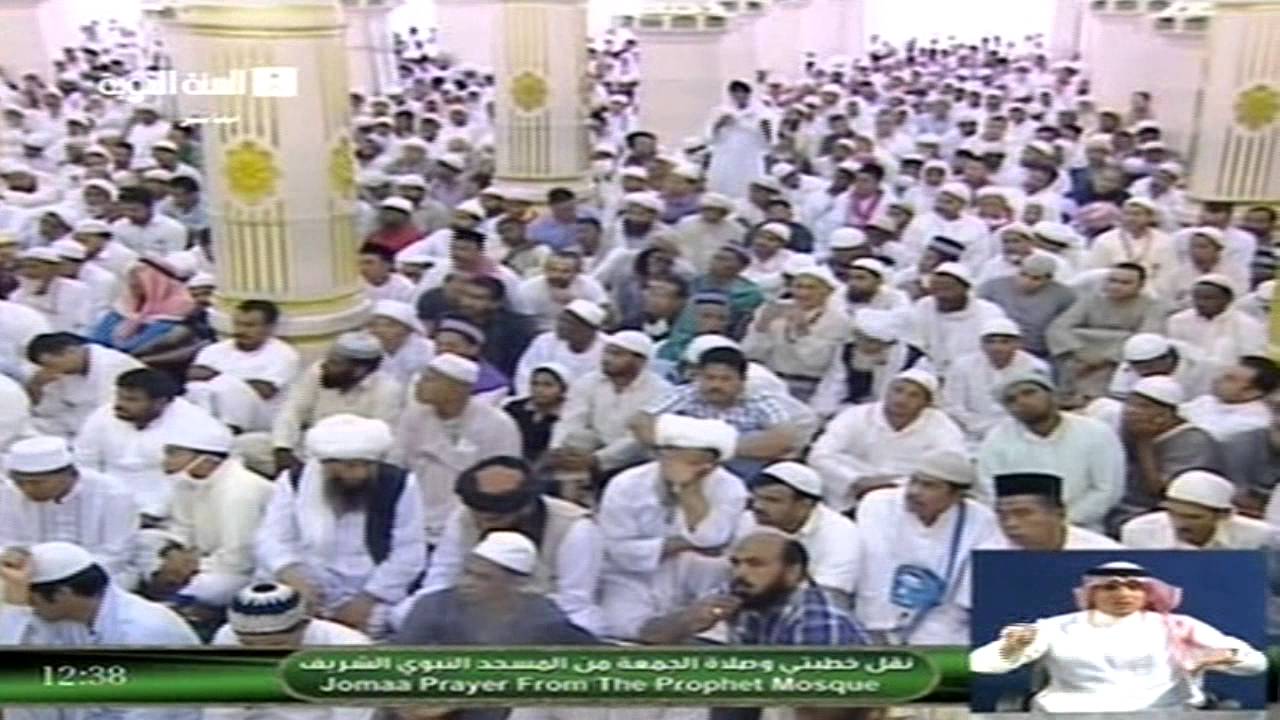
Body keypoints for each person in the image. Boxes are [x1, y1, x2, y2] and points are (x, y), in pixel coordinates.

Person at [970, 561, 1267, 712]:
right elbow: (982, 664)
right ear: (1092, 592)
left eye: (1133, 586)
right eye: (1110, 587)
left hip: (1162, 712)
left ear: (1147, 593)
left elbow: (1257, 664)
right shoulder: (1056, 626)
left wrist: (1227, 657)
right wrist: (1012, 647)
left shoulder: (1179, 626)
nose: (1123, 594)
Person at [255, 414, 426, 638]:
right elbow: (272, 538)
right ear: (325, 464)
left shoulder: (399, 483)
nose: (360, 474)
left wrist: (367, 599)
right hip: (306, 581)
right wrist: (294, 577)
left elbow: (409, 550)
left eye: (367, 465)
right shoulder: (294, 481)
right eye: (350, 466)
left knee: (402, 618)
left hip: (371, 588)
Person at [396, 456, 603, 634]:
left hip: (542, 608)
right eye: (477, 516)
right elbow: (441, 575)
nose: (482, 524)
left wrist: (507, 610)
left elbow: (574, 599)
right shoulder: (464, 516)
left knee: (582, 624)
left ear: (525, 508)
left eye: (493, 519)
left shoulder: (575, 527)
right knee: (405, 613)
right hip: (471, 604)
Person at [597, 414, 747, 639]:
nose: (696, 470)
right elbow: (617, 550)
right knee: (623, 629)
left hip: (699, 578)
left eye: (701, 464)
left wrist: (690, 491)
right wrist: (679, 544)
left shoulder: (731, 488)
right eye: (687, 462)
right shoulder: (625, 485)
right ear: (662, 456)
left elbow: (712, 541)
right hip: (632, 578)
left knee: (709, 575)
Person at [854, 449, 1001, 645]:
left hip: (942, 626)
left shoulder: (981, 520)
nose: (914, 491)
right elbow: (876, 568)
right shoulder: (878, 504)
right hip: (874, 618)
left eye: (928, 486)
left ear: (957, 495)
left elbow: (968, 592)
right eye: (913, 481)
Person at [637, 533, 868, 646]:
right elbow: (648, 636)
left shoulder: (817, 619)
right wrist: (687, 620)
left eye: (755, 564)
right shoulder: (742, 591)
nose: (740, 573)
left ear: (793, 572)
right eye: (736, 563)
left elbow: (815, 705)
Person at [0, 541, 200, 671]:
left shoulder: (142, 633)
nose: (30, 608)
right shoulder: (70, 615)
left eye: (31, 600)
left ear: (62, 594)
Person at [389, 353, 522, 548]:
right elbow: (397, 464)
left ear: (458, 389)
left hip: (470, 518)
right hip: (417, 513)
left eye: (430, 380)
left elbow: (505, 480)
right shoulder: (414, 417)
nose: (419, 384)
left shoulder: (498, 424)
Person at [977, 373, 1125, 531]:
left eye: (1029, 393)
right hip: (1021, 530)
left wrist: (1060, 522)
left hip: (1084, 528)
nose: (1022, 401)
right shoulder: (997, 439)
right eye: (1011, 400)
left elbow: (1107, 489)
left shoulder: (1096, 432)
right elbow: (991, 489)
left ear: (1052, 395)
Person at [635, 346, 811, 476]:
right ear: (698, 376)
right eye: (710, 378)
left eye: (725, 379)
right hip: (684, 462)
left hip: (738, 467)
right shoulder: (685, 393)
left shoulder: (759, 399)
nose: (716, 385)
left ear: (742, 380)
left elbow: (784, 438)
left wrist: (715, 448)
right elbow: (641, 421)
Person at [811, 369, 965, 513]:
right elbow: (819, 455)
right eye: (898, 390)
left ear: (927, 403)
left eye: (914, 395)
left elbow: (951, 466)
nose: (902, 399)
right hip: (849, 493)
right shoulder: (856, 415)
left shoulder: (942, 426)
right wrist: (856, 480)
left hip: (907, 498)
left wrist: (894, 485)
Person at [73, 367, 218, 520]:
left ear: (160, 402)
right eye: (119, 396)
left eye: (131, 400)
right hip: (105, 502)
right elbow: (85, 461)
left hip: (163, 512)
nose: (119, 404)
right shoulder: (103, 415)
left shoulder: (198, 427)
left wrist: (153, 513)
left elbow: (185, 482)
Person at [163, 413, 273, 608]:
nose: (165, 461)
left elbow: (240, 558)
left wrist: (193, 566)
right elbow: (182, 527)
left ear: (207, 459)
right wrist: (174, 554)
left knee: (209, 586)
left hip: (245, 571)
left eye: (174, 453)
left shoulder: (241, 490)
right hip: (203, 559)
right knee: (148, 543)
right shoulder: (187, 482)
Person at [0, 436, 137, 584]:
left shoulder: (112, 493)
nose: (26, 489)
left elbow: (116, 554)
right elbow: (7, 543)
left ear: (68, 475)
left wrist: (58, 575)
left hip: (95, 573)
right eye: (19, 482)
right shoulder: (10, 492)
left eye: (36, 483)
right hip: (26, 573)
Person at [548, 331, 670, 493]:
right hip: (593, 448)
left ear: (640, 361)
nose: (607, 359)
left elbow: (637, 440)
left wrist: (598, 459)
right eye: (606, 352)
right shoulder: (588, 381)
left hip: (636, 457)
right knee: (577, 439)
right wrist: (556, 448)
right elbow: (571, 419)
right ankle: (573, 496)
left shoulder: (660, 390)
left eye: (616, 354)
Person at [270, 332, 404, 476]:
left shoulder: (387, 390)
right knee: (254, 444)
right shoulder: (317, 373)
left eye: (334, 363)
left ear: (359, 370)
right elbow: (292, 411)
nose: (324, 366)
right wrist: (283, 449)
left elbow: (381, 441)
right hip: (305, 449)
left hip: (348, 462)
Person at [1105, 377, 1222, 535]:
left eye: (1143, 406)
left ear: (1166, 413)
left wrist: (1144, 442)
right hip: (1120, 502)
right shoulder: (1128, 428)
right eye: (1129, 403)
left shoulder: (1194, 441)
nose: (1130, 411)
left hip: (1162, 513)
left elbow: (1163, 492)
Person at [735, 462, 860, 599]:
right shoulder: (749, 520)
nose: (758, 506)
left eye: (772, 500)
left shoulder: (840, 534)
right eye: (756, 498)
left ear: (805, 504)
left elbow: (829, 592)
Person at [1047, 263, 1166, 403]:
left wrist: (1105, 358)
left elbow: (1146, 339)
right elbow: (1059, 327)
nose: (1116, 286)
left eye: (1125, 283)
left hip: (1119, 362)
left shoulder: (1152, 306)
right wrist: (1080, 351)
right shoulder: (1091, 300)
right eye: (1112, 280)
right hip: (1080, 357)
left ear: (1141, 285)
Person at [187, 299, 301, 434]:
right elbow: (192, 374)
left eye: (249, 325)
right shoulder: (214, 350)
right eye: (237, 324)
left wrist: (217, 376)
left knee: (228, 387)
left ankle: (227, 432)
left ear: (269, 327)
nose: (241, 330)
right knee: (196, 388)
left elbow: (264, 391)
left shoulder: (283, 354)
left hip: (263, 417)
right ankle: (202, 430)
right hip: (215, 411)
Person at [741, 265, 849, 402]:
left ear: (827, 291)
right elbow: (750, 353)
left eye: (811, 288)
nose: (803, 293)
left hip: (811, 386)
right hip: (772, 380)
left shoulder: (838, 319)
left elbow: (818, 362)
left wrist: (802, 330)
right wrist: (762, 326)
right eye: (798, 287)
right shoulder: (774, 309)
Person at [941, 318, 1050, 445]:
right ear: (982, 344)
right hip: (971, 434)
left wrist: (1005, 429)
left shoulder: (1035, 367)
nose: (997, 348)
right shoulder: (962, 366)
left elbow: (1037, 407)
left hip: (1020, 433)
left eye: (1005, 342)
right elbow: (953, 406)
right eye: (990, 342)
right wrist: (980, 427)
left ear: (1017, 344)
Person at [25, 331, 142, 439]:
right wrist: (36, 386)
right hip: (71, 423)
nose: (50, 370)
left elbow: (109, 413)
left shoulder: (113, 365)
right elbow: (47, 411)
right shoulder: (60, 371)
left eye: (51, 365)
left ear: (70, 351)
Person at [1121, 470, 1280, 550]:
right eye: (1173, 513)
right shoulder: (1139, 531)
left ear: (1224, 515)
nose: (1180, 523)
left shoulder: (1259, 536)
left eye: (1193, 517)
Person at [905, 262, 1008, 375]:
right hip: (929, 372)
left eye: (948, 288)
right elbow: (915, 346)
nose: (942, 295)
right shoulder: (924, 306)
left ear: (966, 288)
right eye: (937, 288)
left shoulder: (989, 312)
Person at [982, 473, 1123, 550]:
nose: (1010, 523)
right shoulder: (988, 555)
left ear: (1059, 513)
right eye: (1002, 515)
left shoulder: (1102, 551)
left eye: (1022, 513)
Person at [87, 257, 197, 355]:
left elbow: (135, 348)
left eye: (138, 278)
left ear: (156, 282)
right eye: (131, 277)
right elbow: (97, 339)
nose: (132, 283)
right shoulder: (124, 306)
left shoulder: (177, 312)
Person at [977, 253, 1075, 359]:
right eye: (1023, 274)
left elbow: (1065, 327)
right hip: (994, 346)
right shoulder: (993, 287)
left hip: (1037, 351)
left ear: (1048, 279)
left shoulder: (1063, 296)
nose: (1026, 281)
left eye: (1035, 278)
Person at [1166, 275, 1265, 375]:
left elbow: (1250, 359)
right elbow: (1177, 354)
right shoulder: (1179, 320)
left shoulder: (1247, 324)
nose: (1200, 303)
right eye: (1196, 298)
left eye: (1208, 298)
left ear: (1228, 299)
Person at [513, 300, 606, 397]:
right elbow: (525, 374)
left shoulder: (606, 348)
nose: (561, 326)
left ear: (589, 329)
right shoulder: (544, 341)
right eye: (561, 320)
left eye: (569, 323)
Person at [1180, 356, 1280, 440]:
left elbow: (1202, 437)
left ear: (1251, 392)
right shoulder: (1208, 400)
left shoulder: (1253, 422)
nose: (1218, 379)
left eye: (1229, 379)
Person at [706, 81, 771, 199]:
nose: (739, 95)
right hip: (725, 154)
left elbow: (767, 140)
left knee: (747, 184)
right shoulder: (719, 111)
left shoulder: (762, 113)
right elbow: (708, 137)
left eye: (743, 92)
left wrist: (747, 124)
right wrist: (719, 124)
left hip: (749, 156)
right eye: (735, 92)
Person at [10, 247, 94, 333]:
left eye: (34, 267)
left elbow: (84, 325)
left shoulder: (78, 290)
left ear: (54, 270)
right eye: (24, 267)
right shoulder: (16, 296)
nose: (28, 272)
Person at [502, 363, 568, 465]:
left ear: (563, 389)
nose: (539, 389)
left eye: (548, 385)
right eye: (535, 384)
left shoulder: (569, 415)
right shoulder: (514, 408)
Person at [366, 299, 435, 386]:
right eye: (374, 325)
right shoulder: (374, 350)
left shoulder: (424, 352)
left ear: (408, 329)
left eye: (389, 326)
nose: (379, 330)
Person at [109, 185, 186, 256]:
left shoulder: (173, 228)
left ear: (150, 207)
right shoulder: (118, 226)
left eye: (134, 210)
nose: (129, 214)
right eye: (124, 210)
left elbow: (175, 258)